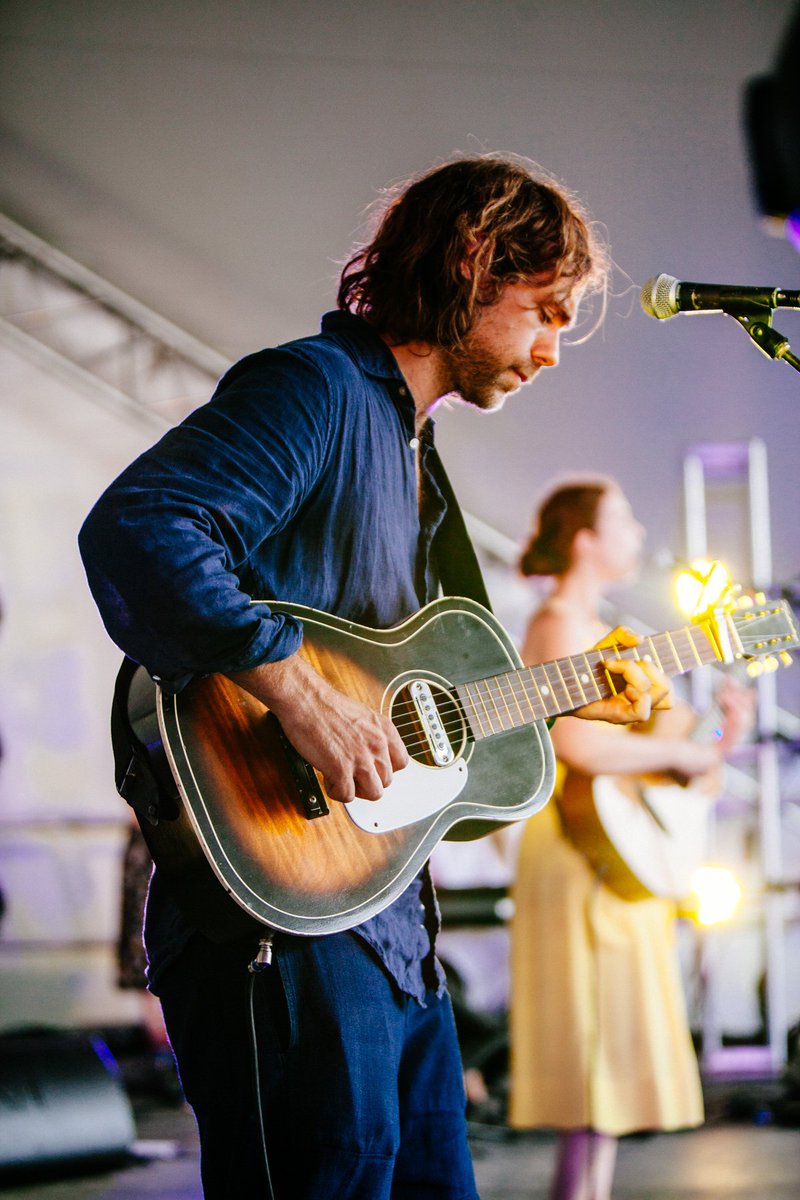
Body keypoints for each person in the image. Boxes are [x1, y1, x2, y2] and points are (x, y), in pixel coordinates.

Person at [78, 155, 672, 1200]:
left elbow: (421, 739)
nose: (550, 352)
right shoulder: (312, 388)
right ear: (469, 267)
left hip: (388, 925)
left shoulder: (411, 450)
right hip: (276, 920)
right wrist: (300, 698)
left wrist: (559, 695)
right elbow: (141, 527)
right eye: (542, 312)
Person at [508, 477, 753, 1200]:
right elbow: (579, 751)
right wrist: (680, 752)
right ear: (584, 538)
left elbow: (684, 746)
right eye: (624, 519)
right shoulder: (558, 626)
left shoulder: (616, 633)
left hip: (621, 860)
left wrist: (720, 731)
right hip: (578, 854)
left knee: (607, 1067)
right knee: (590, 1052)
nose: (640, 533)